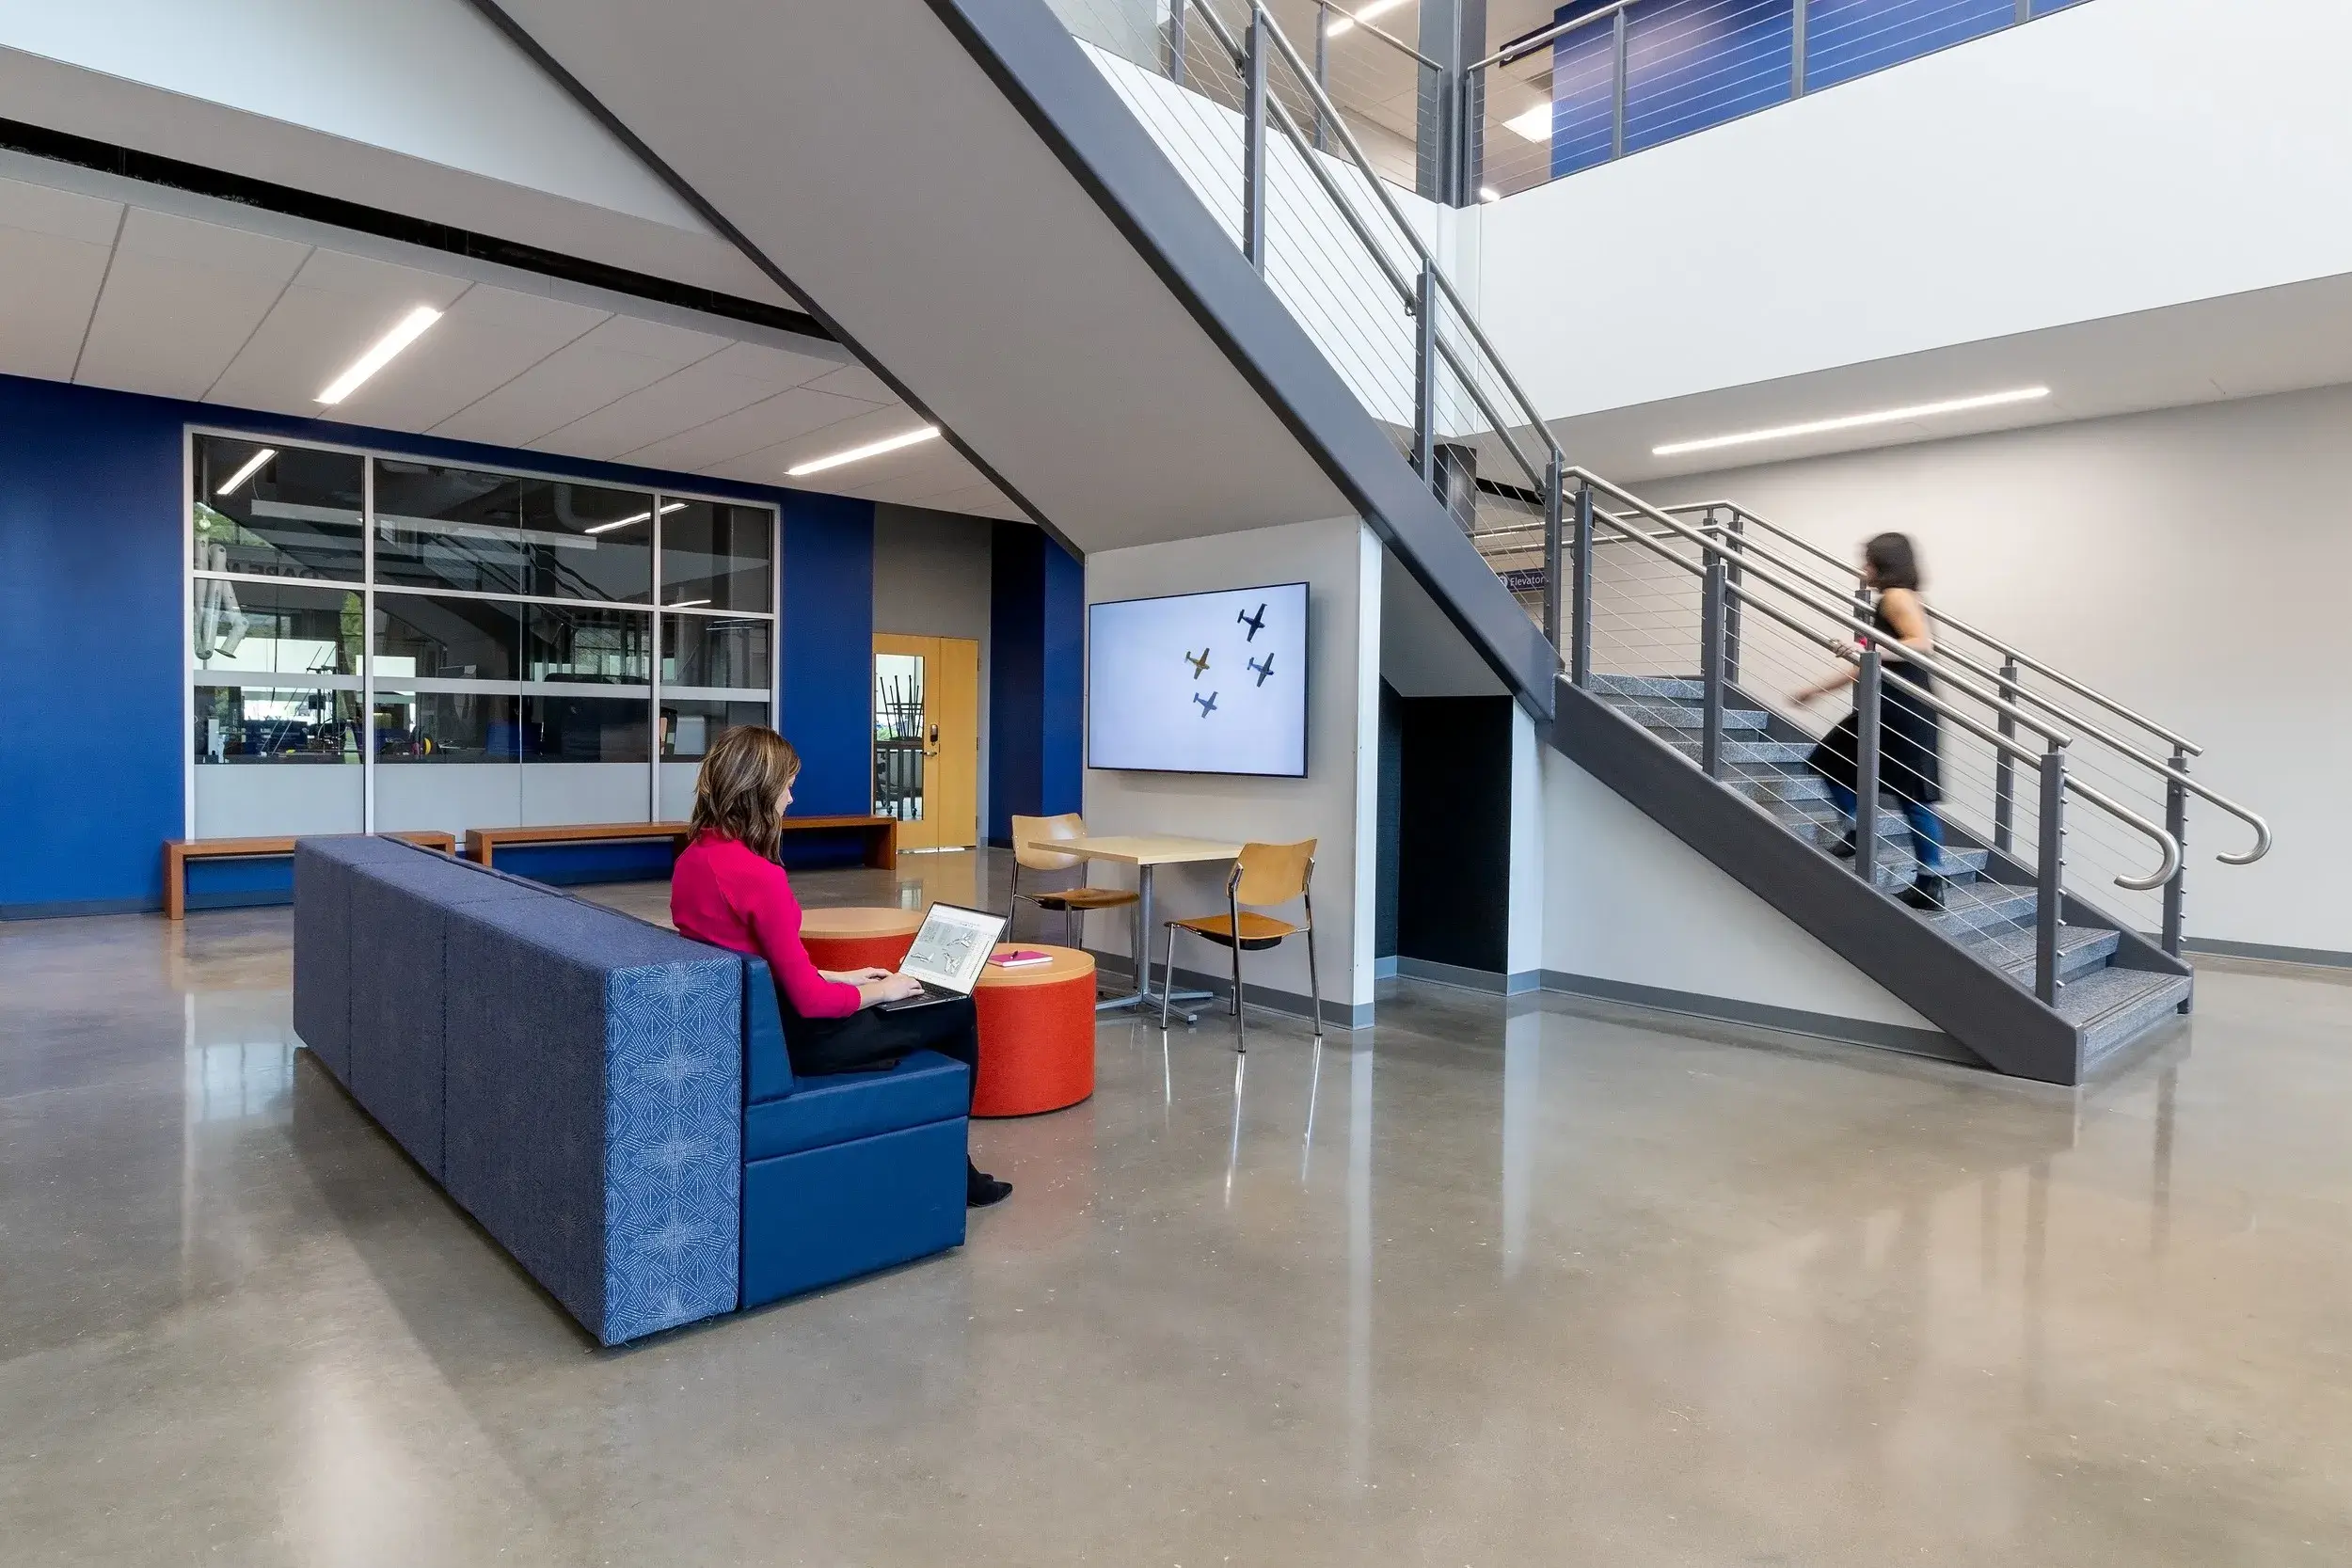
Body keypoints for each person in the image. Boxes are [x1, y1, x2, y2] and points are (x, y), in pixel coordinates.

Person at [671, 725, 1011, 1207]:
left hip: (748, 1026)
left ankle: (942, 1146)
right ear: (758, 791)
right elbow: (810, 1004)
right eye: (786, 786)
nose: (791, 798)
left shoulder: (692, 860)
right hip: (801, 1040)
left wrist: (844, 976)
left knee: (906, 1000)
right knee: (957, 1006)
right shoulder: (758, 876)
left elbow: (753, 962)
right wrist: (884, 991)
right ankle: (958, 1165)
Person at [1794, 531, 1950, 912]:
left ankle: (1928, 880)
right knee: (1831, 760)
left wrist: (1868, 649)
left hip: (1903, 707)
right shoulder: (1897, 598)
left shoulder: (1896, 596)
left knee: (1912, 795)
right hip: (1894, 704)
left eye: (1868, 561)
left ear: (1885, 565)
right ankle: (1863, 834)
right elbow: (1867, 665)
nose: (1862, 568)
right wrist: (1817, 690)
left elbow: (1919, 642)